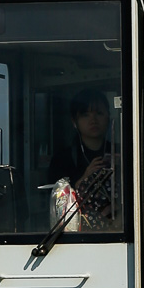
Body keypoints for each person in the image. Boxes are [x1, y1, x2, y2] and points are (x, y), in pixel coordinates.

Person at [48, 89, 116, 224]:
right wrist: (85, 178)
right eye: (85, 114)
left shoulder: (122, 151)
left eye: (99, 113)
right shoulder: (62, 159)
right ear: (74, 121)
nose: (93, 120)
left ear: (108, 117)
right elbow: (56, 202)